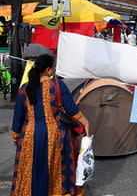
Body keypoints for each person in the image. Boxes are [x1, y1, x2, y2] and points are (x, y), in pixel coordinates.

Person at [11, 54, 89, 196]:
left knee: (31, 170)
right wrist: (86, 122)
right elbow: (72, 110)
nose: (54, 69)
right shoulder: (58, 85)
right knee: (56, 170)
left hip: (29, 135)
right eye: (53, 67)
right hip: (55, 135)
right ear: (48, 70)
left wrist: (16, 137)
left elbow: (18, 117)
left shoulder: (24, 89)